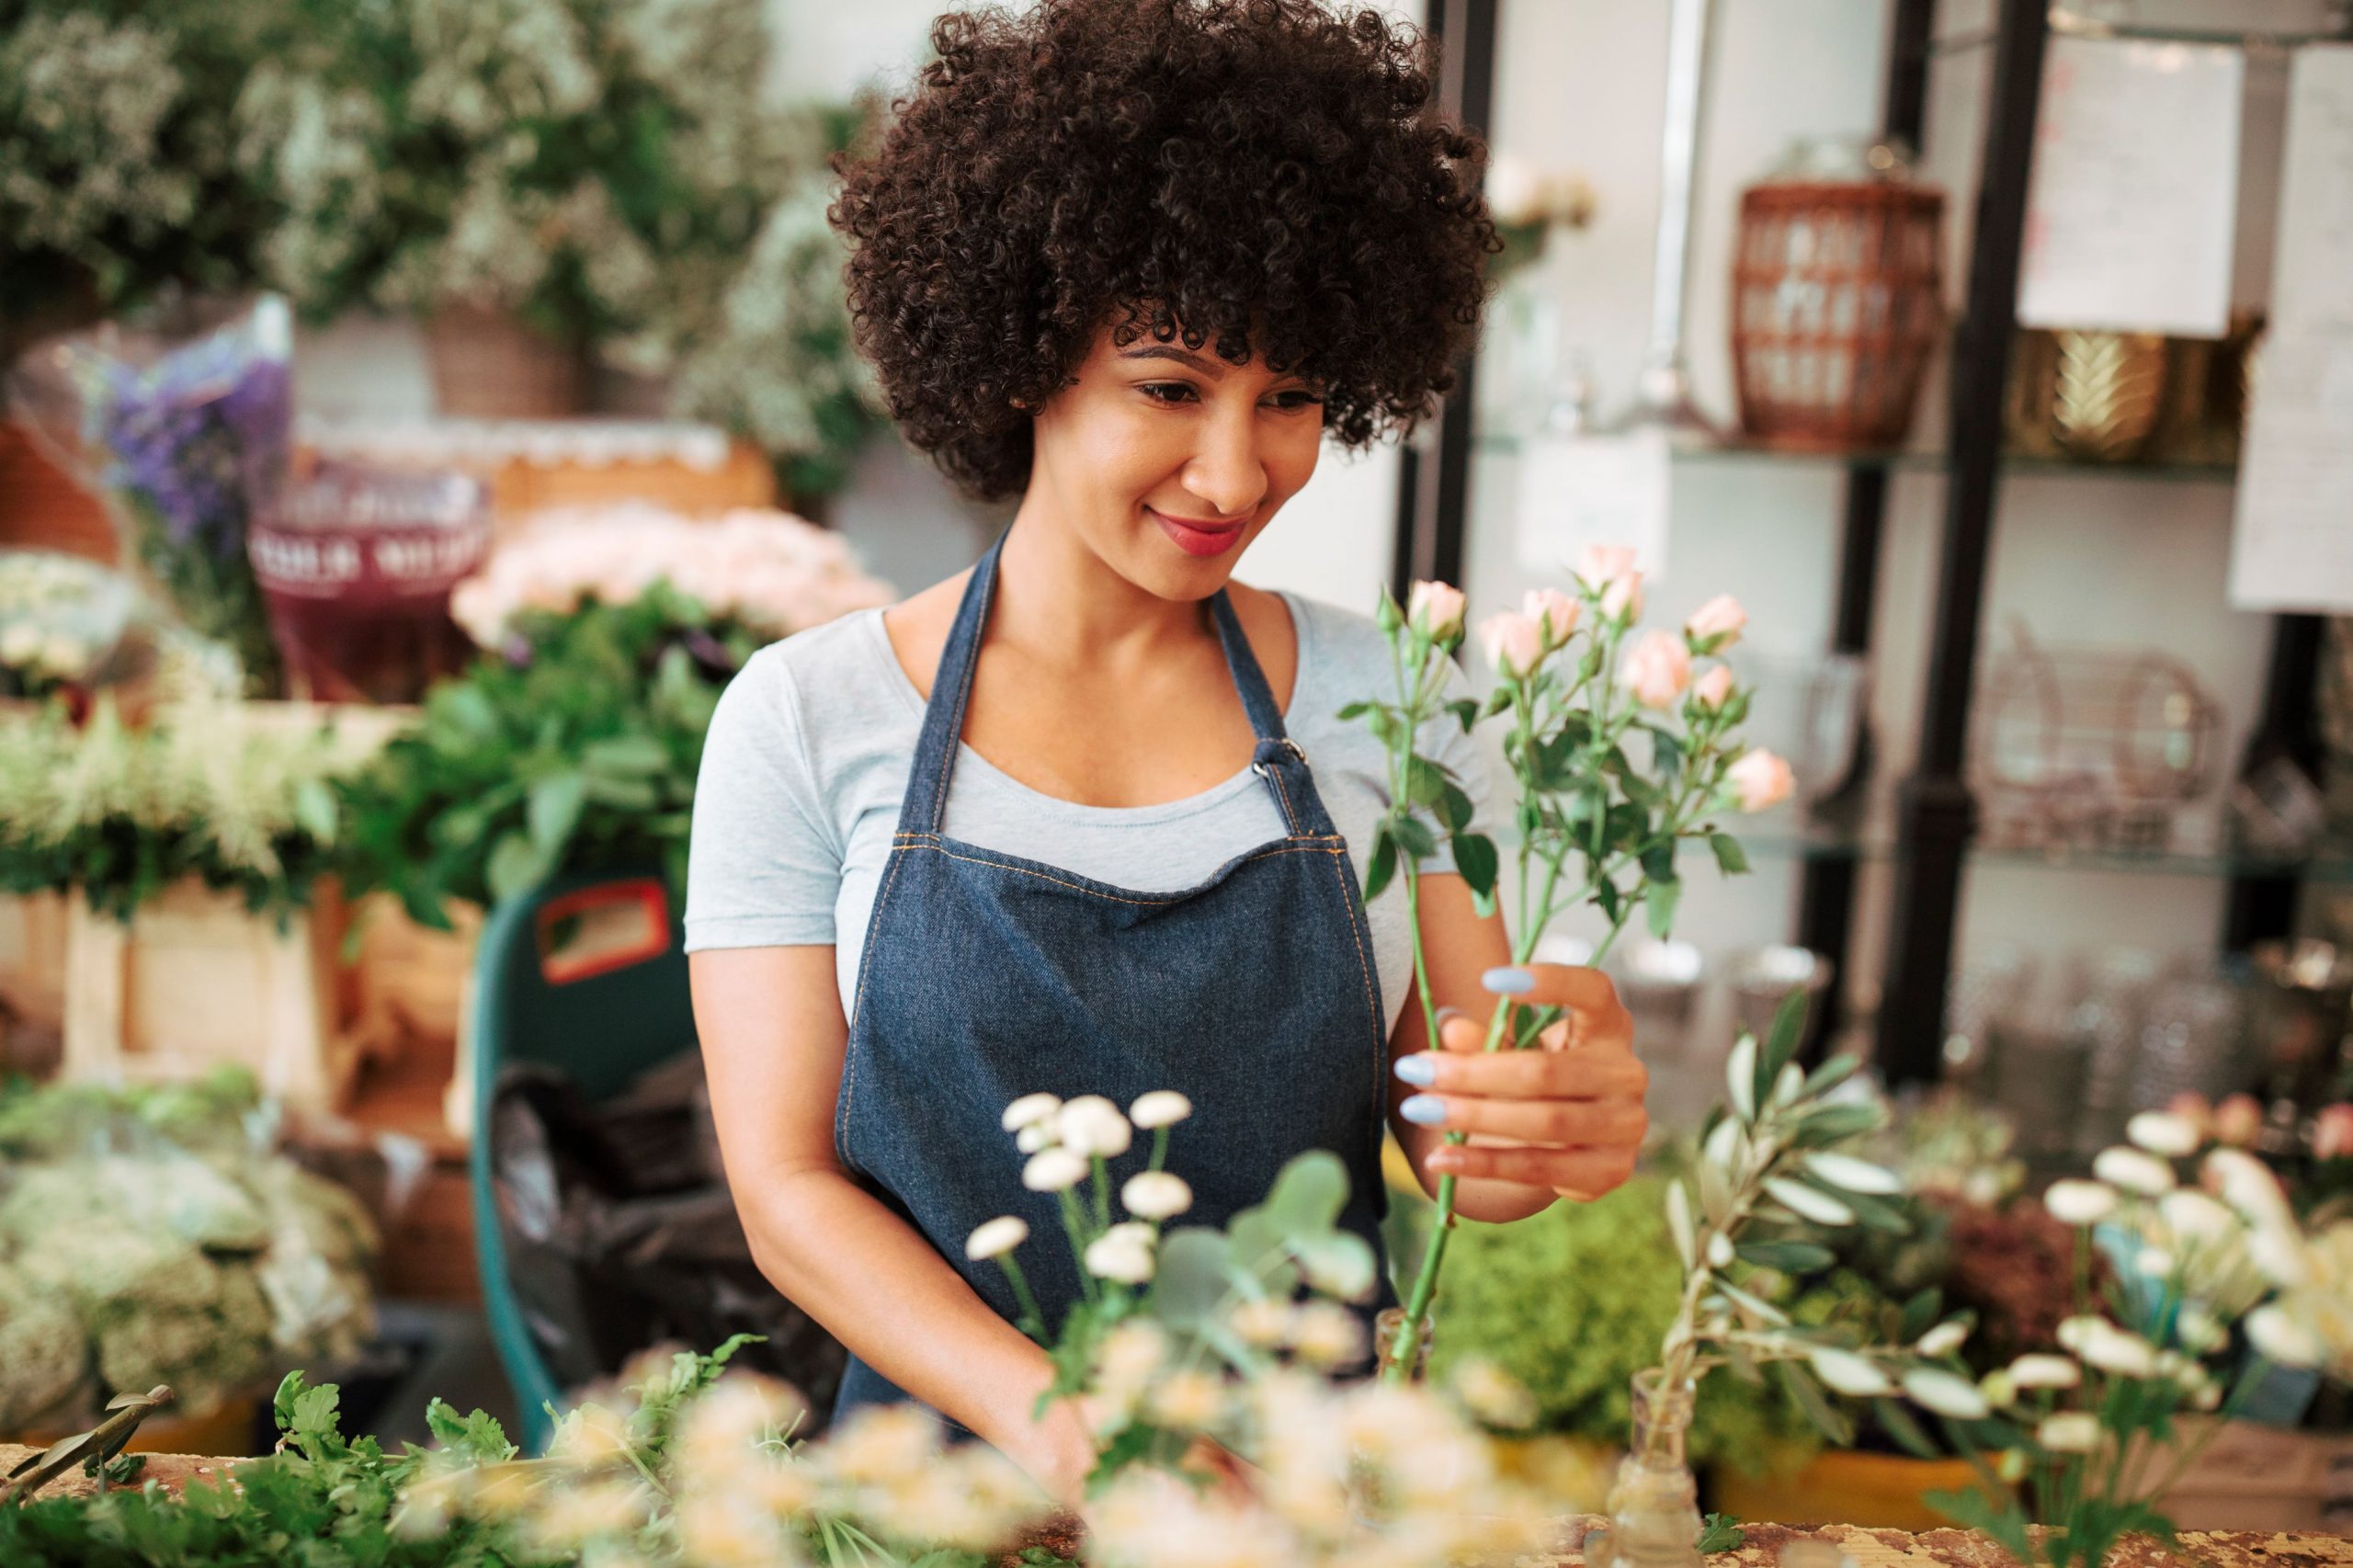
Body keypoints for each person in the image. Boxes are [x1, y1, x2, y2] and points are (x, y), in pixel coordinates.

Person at [685, 0, 1646, 1506]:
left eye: (1291, 399)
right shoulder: (807, 721)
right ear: (1023, 357)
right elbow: (788, 1190)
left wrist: (1557, 1123)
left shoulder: (1400, 703)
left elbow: (1474, 1155)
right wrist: (1067, 1422)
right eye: (1168, 385)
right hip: (940, 1511)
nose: (1234, 470)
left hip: (1300, 1509)